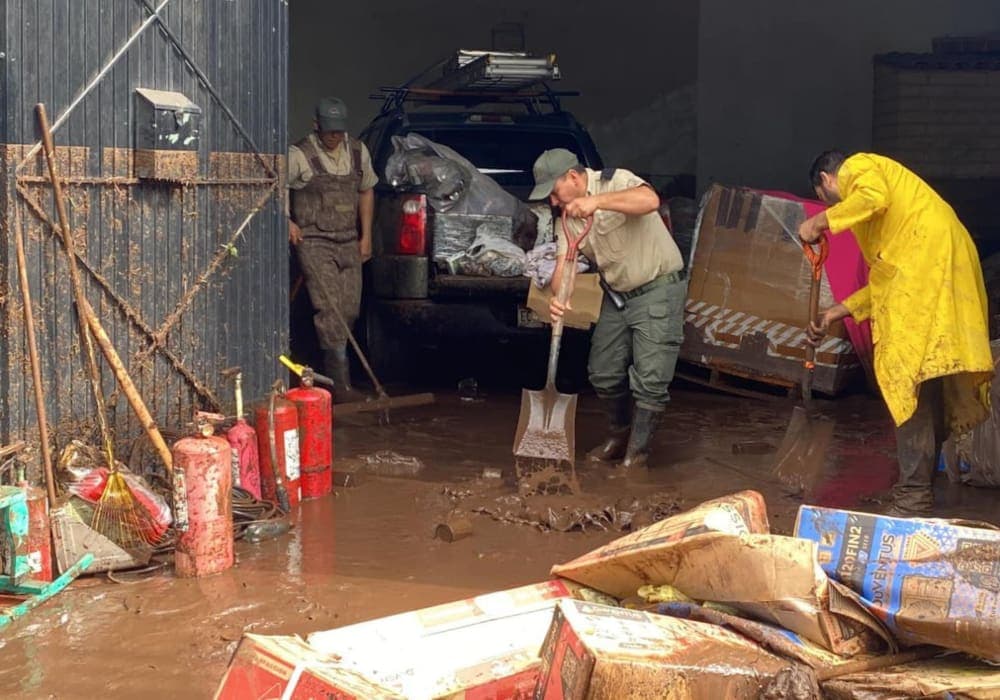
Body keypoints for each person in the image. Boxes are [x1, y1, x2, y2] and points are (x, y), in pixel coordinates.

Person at [800, 150, 993, 515]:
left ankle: (912, 498)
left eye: (824, 197)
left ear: (826, 180)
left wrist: (819, 222)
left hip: (927, 275)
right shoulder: (892, 222)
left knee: (905, 381)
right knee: (926, 381)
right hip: (933, 275)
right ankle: (917, 492)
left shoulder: (858, 167)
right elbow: (886, 280)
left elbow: (870, 198)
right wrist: (836, 313)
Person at [530, 149, 686, 469]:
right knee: (603, 371)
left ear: (573, 177)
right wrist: (559, 297)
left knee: (651, 379)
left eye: (555, 193)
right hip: (618, 297)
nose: (554, 202)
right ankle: (619, 435)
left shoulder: (616, 180)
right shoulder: (567, 219)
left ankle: (636, 456)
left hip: (657, 289)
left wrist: (596, 203)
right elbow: (566, 266)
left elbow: (650, 201)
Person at [288, 97, 377, 402]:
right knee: (331, 310)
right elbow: (278, 188)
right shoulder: (299, 154)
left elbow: (366, 191)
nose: (334, 138)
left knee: (349, 309)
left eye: (339, 132)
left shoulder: (357, 151)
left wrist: (366, 236)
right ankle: (341, 387)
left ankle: (336, 378)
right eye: (329, 133)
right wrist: (288, 220)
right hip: (314, 241)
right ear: (317, 126)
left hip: (349, 239)